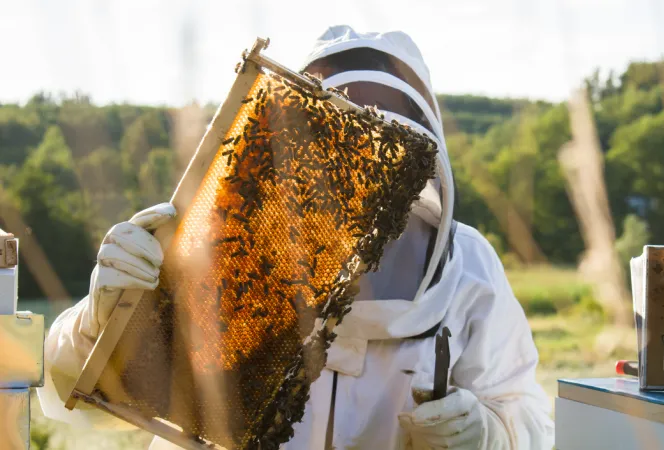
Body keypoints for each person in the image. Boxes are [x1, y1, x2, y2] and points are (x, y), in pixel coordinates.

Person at [38, 26, 555, 450]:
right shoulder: (231, 245)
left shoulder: (469, 266)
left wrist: (488, 434)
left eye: (385, 147)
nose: (360, 161)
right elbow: (77, 407)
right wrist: (100, 324)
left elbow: (531, 419)